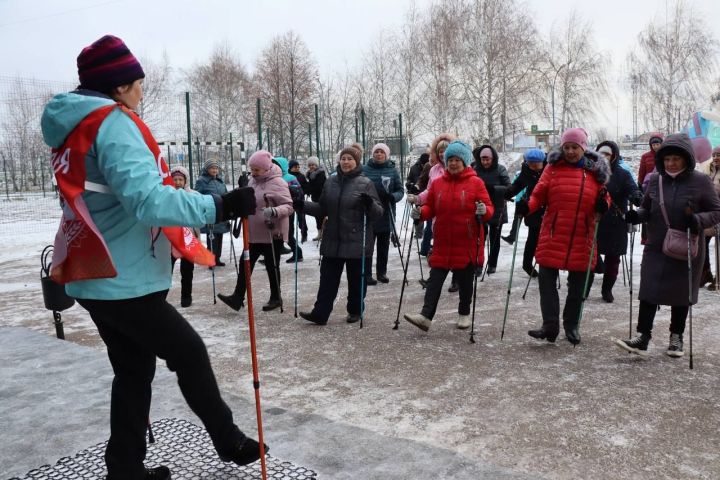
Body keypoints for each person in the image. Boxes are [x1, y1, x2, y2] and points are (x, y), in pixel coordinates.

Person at [41, 35, 264, 480]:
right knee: (188, 352)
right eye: (138, 84)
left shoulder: (72, 125)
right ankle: (228, 439)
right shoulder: (113, 122)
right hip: (122, 277)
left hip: (94, 270)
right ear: (119, 86)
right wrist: (216, 207)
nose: (141, 92)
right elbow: (146, 200)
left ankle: (125, 468)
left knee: (133, 371)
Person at [616, 134, 720, 357]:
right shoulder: (656, 180)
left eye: (676, 159)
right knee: (649, 289)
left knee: (681, 292)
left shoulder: (700, 181)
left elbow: (716, 212)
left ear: (686, 159)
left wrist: (697, 220)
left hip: (687, 246)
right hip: (656, 244)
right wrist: (636, 216)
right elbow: (646, 208)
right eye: (667, 159)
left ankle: (676, 338)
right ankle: (642, 337)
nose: (671, 164)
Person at [516, 128, 610, 346]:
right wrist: (526, 206)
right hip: (553, 232)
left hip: (582, 235)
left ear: (583, 148)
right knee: (546, 282)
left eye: (574, 147)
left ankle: (571, 325)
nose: (569, 151)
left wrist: (602, 204)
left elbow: (606, 199)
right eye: (566, 147)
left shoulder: (595, 172)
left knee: (577, 287)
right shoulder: (553, 169)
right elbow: (539, 194)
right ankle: (550, 326)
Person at [403, 140, 493, 331]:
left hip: (466, 240)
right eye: (449, 159)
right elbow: (431, 208)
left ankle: (464, 314)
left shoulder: (476, 183)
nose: (452, 163)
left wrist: (483, 209)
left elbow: (489, 210)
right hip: (443, 240)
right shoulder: (437, 183)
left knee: (465, 282)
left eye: (457, 160)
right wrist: (421, 213)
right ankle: (425, 317)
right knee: (435, 280)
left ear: (465, 161)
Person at [297, 145, 383, 325]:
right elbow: (322, 208)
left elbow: (378, 213)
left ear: (356, 162)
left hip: (356, 240)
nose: (346, 162)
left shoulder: (365, 183)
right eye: (343, 158)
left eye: (350, 159)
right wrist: (302, 206)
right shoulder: (331, 182)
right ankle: (320, 313)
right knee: (327, 280)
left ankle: (355, 310)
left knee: (356, 281)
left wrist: (370, 204)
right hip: (333, 240)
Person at [217, 150, 293, 312]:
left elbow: (289, 206)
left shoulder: (278, 182)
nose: (253, 172)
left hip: (272, 232)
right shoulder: (252, 181)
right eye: (251, 169)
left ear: (266, 168)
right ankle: (237, 297)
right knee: (246, 264)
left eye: (256, 169)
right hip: (253, 232)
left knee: (272, 266)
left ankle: (276, 297)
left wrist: (274, 211)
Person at [591, 141, 643, 302]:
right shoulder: (590, 172)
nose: (604, 157)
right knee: (590, 255)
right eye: (601, 153)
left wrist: (636, 196)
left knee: (613, 258)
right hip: (594, 220)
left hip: (615, 221)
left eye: (607, 154)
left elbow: (632, 189)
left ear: (614, 156)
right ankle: (584, 287)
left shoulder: (622, 174)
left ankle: (607, 289)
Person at [408, 133, 460, 291]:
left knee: (456, 250)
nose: (443, 153)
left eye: (446, 150)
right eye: (440, 151)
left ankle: (456, 280)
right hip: (439, 216)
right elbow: (430, 192)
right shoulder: (434, 169)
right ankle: (433, 280)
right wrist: (417, 199)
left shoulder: (460, 168)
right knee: (439, 250)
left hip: (457, 216)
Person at [362, 142, 404, 284]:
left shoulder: (392, 170)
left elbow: (400, 190)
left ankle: (382, 273)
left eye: (382, 152)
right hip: (369, 213)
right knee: (368, 246)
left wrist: (392, 196)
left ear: (386, 155)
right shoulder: (365, 169)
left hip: (386, 214)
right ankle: (366, 274)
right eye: (376, 152)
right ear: (372, 154)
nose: (379, 154)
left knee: (383, 246)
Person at [503, 148, 547, 277]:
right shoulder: (526, 171)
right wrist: (509, 192)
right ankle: (527, 264)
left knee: (546, 240)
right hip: (532, 208)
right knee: (533, 238)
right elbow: (518, 185)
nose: (534, 167)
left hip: (548, 209)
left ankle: (547, 267)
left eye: (536, 164)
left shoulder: (549, 170)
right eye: (531, 164)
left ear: (543, 162)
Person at [473, 145, 510, 274]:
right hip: (479, 207)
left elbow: (509, 188)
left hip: (497, 208)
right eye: (483, 159)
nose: (485, 162)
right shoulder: (475, 170)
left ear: (493, 158)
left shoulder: (500, 169)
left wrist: (494, 188)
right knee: (480, 238)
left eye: (487, 159)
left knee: (495, 239)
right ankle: (478, 263)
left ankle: (492, 264)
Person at [170, 165, 201, 308]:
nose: (177, 182)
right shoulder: (167, 195)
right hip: (170, 240)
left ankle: (186, 297)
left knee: (187, 271)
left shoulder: (193, 195)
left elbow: (200, 212)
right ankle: (160, 295)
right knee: (166, 269)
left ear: (185, 180)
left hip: (189, 238)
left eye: (180, 179)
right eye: (174, 179)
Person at [195, 158, 230, 267]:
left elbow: (225, 194)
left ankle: (217, 258)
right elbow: (197, 196)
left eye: (216, 168)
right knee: (212, 236)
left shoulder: (220, 181)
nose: (214, 170)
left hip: (221, 212)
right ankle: (210, 259)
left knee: (219, 235)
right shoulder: (201, 181)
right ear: (207, 169)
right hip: (210, 212)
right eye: (212, 168)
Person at [697, 145, 720, 288]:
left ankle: (719, 279)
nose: (716, 158)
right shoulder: (710, 171)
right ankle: (705, 273)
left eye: (719, 155)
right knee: (702, 243)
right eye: (715, 155)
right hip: (711, 215)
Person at [274, 157, 304, 263]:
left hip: (288, 210)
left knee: (288, 232)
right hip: (276, 210)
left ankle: (298, 253)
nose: (274, 166)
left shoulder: (290, 177)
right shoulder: (273, 177)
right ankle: (273, 254)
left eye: (277, 164)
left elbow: (298, 193)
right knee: (277, 233)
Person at [303, 156, 326, 241]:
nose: (312, 166)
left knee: (321, 216)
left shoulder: (320, 174)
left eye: (313, 165)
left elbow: (318, 187)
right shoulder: (311, 175)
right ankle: (319, 233)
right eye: (310, 165)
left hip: (321, 198)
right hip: (315, 198)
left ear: (316, 165)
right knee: (317, 216)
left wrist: (308, 190)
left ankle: (323, 233)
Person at [288, 159, 309, 244]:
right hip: (290, 201)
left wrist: (306, 190)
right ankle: (291, 237)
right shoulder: (288, 176)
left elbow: (305, 186)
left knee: (302, 218)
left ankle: (304, 234)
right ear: (290, 168)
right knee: (290, 220)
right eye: (295, 167)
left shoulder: (301, 176)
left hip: (300, 200)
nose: (297, 168)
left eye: (298, 166)